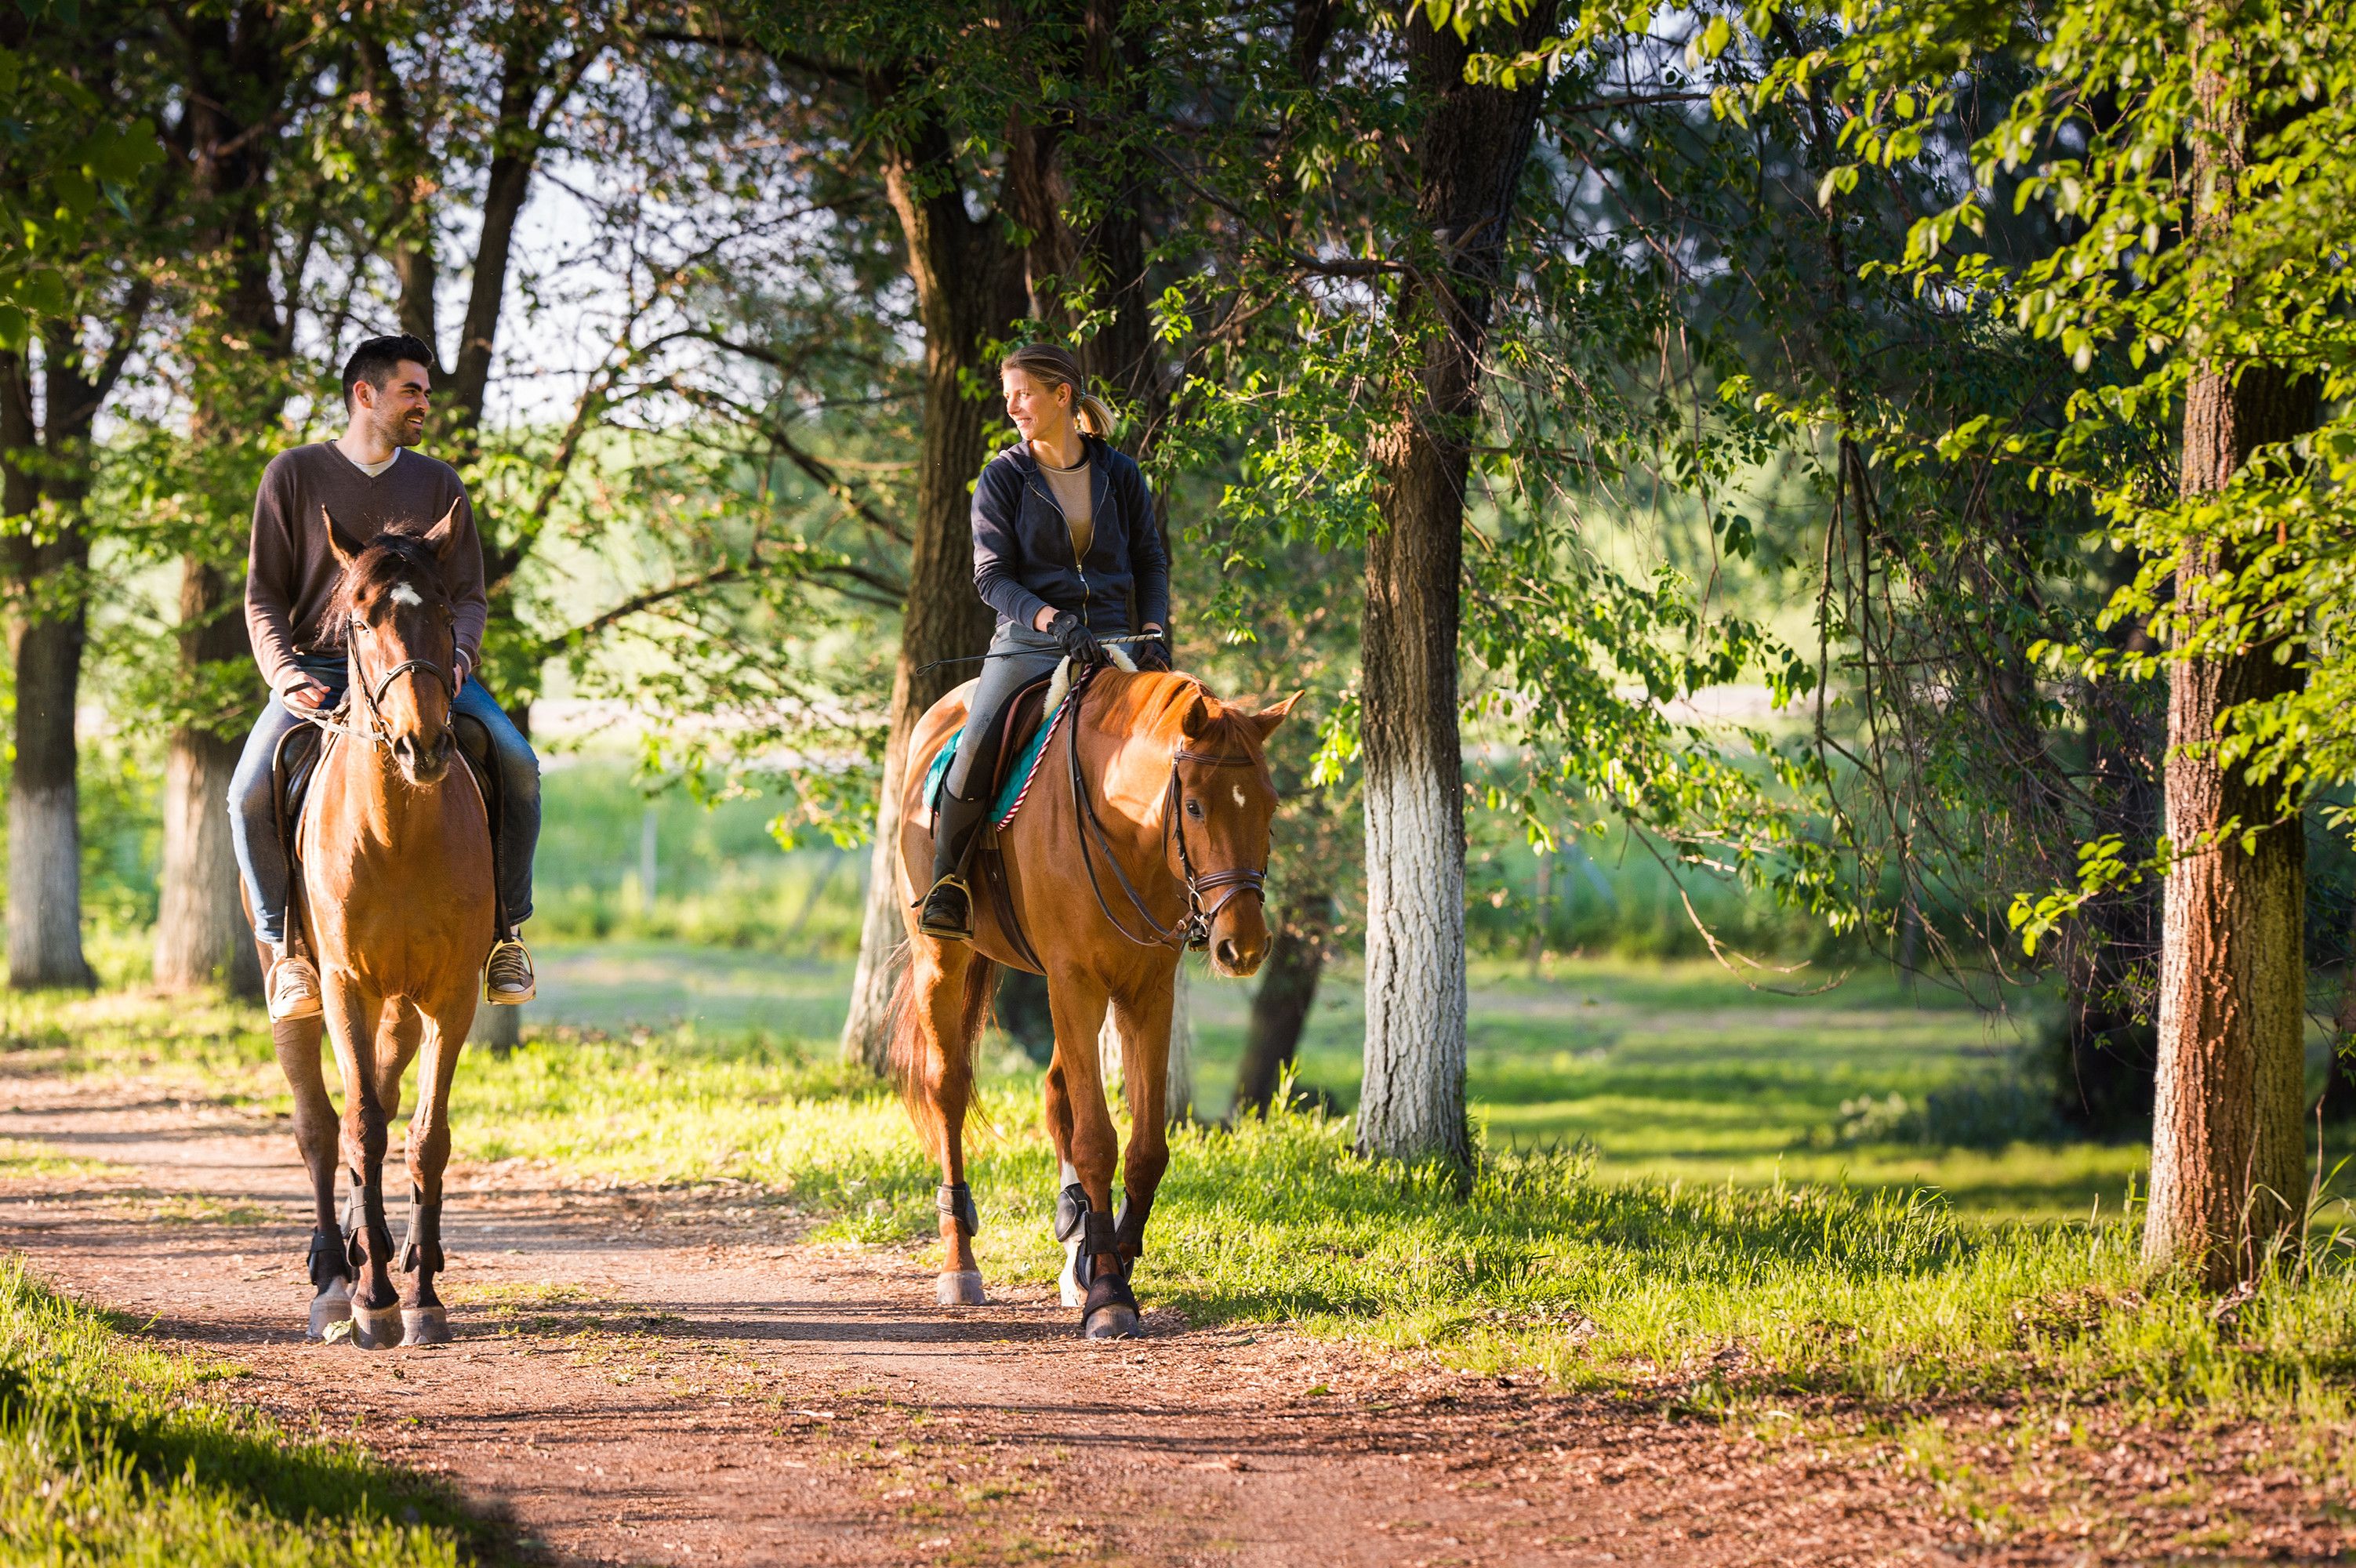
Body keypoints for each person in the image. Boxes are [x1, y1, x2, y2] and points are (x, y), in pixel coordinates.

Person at [231, 333, 542, 1022]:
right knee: (248, 791)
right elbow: (262, 597)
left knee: (517, 763)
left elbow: (468, 597)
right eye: (412, 390)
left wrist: (457, 658)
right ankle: (287, 952)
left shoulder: (439, 484)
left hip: (428, 670)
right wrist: (282, 674)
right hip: (318, 669)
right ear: (364, 394)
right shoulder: (292, 475)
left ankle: (507, 936)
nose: (424, 403)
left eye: (426, 392)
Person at [917, 343, 1171, 940]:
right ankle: (948, 883)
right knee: (977, 741)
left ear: (1062, 396)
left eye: (1022, 393)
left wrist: (1154, 630)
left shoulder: (1121, 474)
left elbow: (1149, 561)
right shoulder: (1002, 477)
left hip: (1116, 639)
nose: (1012, 406)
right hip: (1030, 642)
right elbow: (991, 578)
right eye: (1008, 395)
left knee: (1188, 738)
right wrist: (1052, 621)